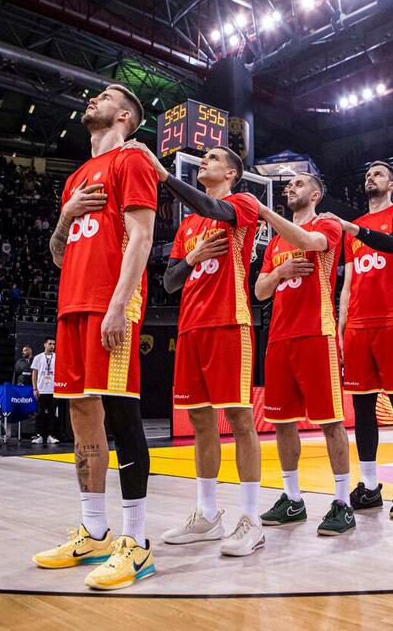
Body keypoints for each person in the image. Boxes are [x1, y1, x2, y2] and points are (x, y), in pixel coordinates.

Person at [32, 84, 157, 591]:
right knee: (82, 416)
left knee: (122, 414)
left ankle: (137, 542)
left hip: (111, 303)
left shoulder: (133, 160)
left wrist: (118, 305)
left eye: (105, 96)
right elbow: (58, 253)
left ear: (124, 115)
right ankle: (95, 531)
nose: (92, 99)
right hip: (72, 306)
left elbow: (142, 237)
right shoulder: (76, 179)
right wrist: (66, 214)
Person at [126, 141, 264, 556]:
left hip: (229, 323)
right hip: (190, 328)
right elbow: (170, 282)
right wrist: (194, 256)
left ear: (232, 173)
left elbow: (213, 208)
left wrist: (164, 176)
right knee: (202, 422)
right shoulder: (188, 227)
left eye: (214, 158)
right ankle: (207, 515)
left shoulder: (243, 204)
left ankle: (252, 520)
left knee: (240, 420)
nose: (204, 161)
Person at [253, 173, 355, 535]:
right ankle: (292, 499)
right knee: (282, 423)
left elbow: (310, 242)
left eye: (298, 184)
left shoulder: (327, 224)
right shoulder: (275, 243)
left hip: (316, 333)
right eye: (289, 185)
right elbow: (260, 291)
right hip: (280, 338)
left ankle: (342, 503)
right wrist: (280, 271)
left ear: (315, 194)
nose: (290, 188)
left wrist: (265, 212)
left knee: (330, 422)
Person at [324, 162, 393, 518]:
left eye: (379, 174)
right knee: (363, 408)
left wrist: (354, 228)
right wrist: (342, 324)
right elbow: (348, 283)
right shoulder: (355, 229)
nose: (371, 177)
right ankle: (369, 487)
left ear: (392, 183)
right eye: (368, 174)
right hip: (358, 326)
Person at [30, 338, 59, 445]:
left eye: (53, 344)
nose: (52, 346)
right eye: (50, 344)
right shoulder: (38, 357)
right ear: (45, 344)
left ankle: (51, 435)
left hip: (53, 390)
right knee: (40, 414)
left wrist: (59, 388)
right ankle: (40, 436)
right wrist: (35, 388)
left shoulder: (57, 357)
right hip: (41, 389)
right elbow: (34, 373)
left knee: (52, 414)